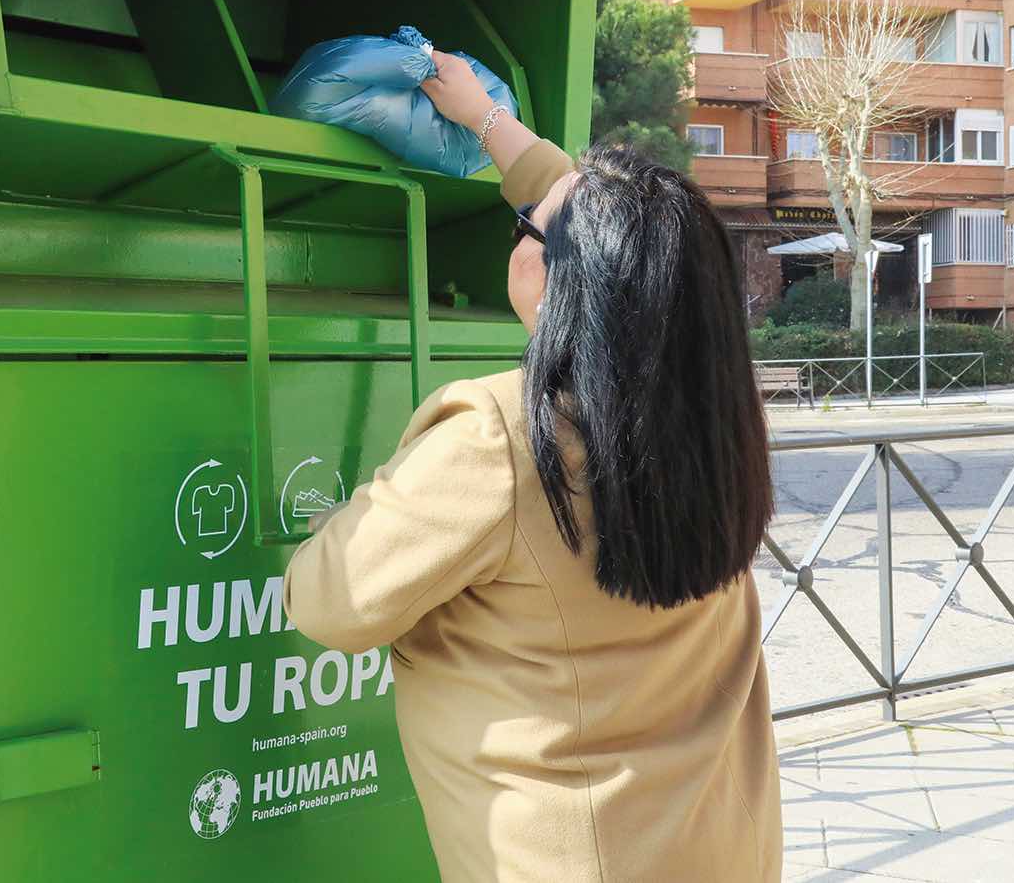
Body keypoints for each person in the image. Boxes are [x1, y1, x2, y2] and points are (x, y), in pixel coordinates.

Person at [283, 53, 780, 883]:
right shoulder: (712, 421)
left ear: (559, 287)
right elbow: (617, 235)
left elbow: (327, 601)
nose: (522, 225)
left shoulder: (499, 438)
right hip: (720, 847)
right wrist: (487, 124)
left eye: (526, 227)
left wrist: (380, 489)